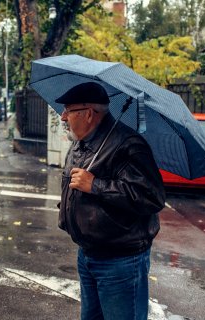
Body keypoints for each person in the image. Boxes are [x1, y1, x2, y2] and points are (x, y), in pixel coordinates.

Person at [56, 82, 165, 320]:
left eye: (68, 110)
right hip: (87, 254)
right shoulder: (80, 143)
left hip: (120, 261)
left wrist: (96, 185)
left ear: (88, 114)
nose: (63, 116)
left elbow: (151, 196)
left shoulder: (128, 144)